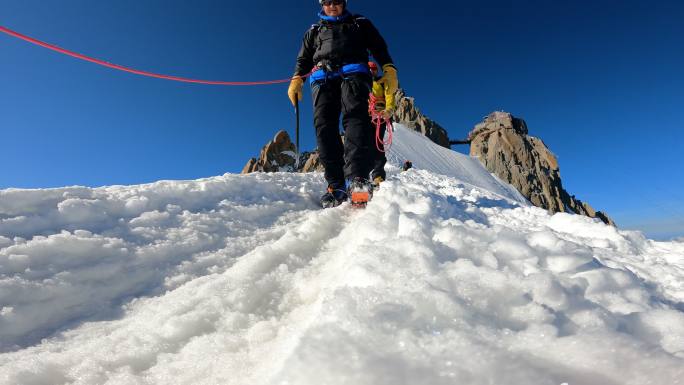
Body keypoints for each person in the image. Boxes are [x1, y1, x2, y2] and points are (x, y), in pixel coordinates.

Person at [288, 0, 398, 208]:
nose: (332, 5)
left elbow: (378, 46)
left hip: (354, 74)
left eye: (337, 1)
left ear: (344, 2)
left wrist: (389, 67)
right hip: (322, 78)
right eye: (327, 1)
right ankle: (335, 185)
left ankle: (358, 179)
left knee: (356, 120)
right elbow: (304, 59)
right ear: (321, 3)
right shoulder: (314, 30)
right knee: (324, 126)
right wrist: (297, 79)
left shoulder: (360, 22)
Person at [367, 61, 396, 189]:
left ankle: (378, 174)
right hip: (365, 115)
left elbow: (389, 95)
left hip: (379, 115)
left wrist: (389, 109)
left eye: (373, 69)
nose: (371, 71)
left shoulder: (382, 81)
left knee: (377, 144)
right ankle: (361, 174)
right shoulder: (360, 81)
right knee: (363, 144)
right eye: (369, 69)